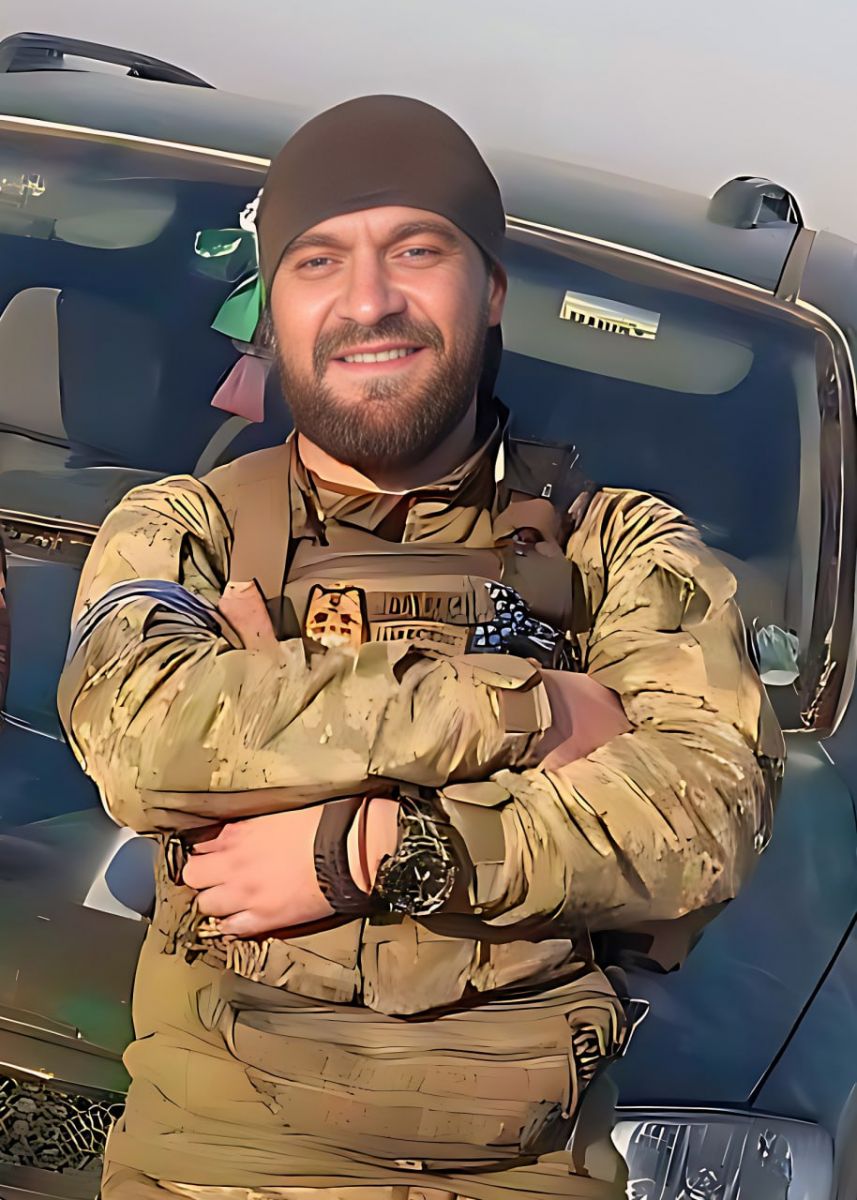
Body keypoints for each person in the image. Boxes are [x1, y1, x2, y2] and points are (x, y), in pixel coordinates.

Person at [58, 95, 786, 1200]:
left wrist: (373, 847)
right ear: (271, 307)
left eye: (416, 250)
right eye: (317, 261)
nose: (368, 301)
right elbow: (140, 733)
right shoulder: (184, 528)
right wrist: (527, 713)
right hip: (218, 1162)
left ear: (489, 288)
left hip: (526, 1164)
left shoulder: (620, 548)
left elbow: (706, 808)